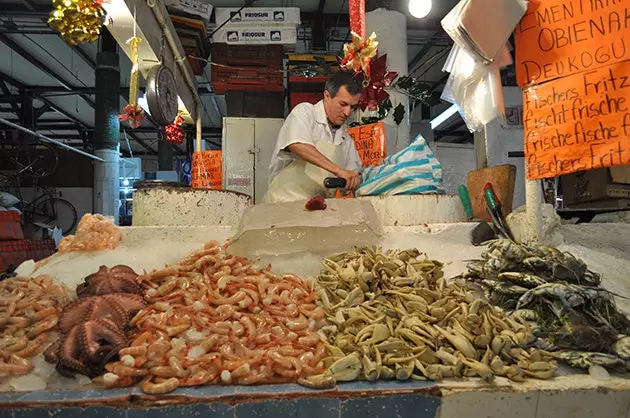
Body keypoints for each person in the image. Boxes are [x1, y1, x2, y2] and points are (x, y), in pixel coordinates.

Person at [264, 72, 364, 203]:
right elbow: (297, 144)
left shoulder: (346, 140)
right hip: (284, 204)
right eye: (343, 104)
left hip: (318, 210)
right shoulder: (305, 112)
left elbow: (351, 175)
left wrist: (354, 179)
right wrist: (338, 171)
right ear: (327, 96)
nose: (348, 112)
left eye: (353, 107)